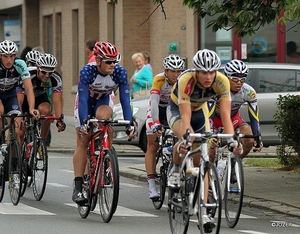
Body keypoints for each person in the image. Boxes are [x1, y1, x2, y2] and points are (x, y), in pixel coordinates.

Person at [166, 49, 241, 231]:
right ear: (196, 72)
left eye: (211, 72)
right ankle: (175, 170)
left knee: (203, 163)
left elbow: (225, 114)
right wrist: (186, 137)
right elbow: (185, 117)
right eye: (203, 72)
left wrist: (232, 140)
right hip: (178, 110)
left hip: (200, 111)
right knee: (185, 139)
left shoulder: (222, 82)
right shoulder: (186, 80)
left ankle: (204, 211)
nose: (208, 77)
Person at [72, 41, 137, 205]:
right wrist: (85, 121)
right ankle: (78, 186)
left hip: (103, 101)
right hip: (85, 102)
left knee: (105, 120)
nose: (113, 64)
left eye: (115, 60)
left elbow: (124, 99)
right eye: (109, 61)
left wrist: (129, 123)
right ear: (98, 60)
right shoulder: (88, 71)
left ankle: (105, 156)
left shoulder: (119, 72)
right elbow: (83, 99)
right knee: (83, 140)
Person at [144, 54, 185, 200]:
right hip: (158, 109)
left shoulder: (184, 81)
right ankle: (151, 186)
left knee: (181, 139)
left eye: (179, 71)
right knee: (153, 146)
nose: (176, 74)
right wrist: (155, 122)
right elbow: (154, 102)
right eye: (172, 71)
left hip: (173, 109)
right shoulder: (159, 79)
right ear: (165, 71)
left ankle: (173, 167)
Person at [209, 59, 263, 159]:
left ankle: (234, 164)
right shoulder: (216, 89)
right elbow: (209, 114)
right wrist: (211, 133)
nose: (239, 83)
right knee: (210, 150)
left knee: (249, 140)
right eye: (235, 80)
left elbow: (254, 117)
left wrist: (257, 137)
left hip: (233, 119)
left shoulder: (249, 92)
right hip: (214, 119)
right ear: (226, 77)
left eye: (242, 80)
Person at [17, 53, 65, 142]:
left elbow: (57, 101)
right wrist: (20, 116)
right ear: (38, 68)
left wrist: (59, 120)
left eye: (50, 73)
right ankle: (17, 155)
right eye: (44, 72)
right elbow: (18, 100)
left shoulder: (56, 78)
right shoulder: (28, 73)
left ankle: (42, 142)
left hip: (39, 97)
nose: (47, 75)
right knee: (20, 132)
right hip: (23, 98)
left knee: (47, 111)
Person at [0, 40, 39, 144]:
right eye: (5, 56)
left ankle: (13, 157)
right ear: (0, 56)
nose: (9, 60)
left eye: (12, 56)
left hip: (11, 95)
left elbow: (29, 88)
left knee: (17, 131)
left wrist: (31, 108)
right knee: (0, 109)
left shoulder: (20, 64)